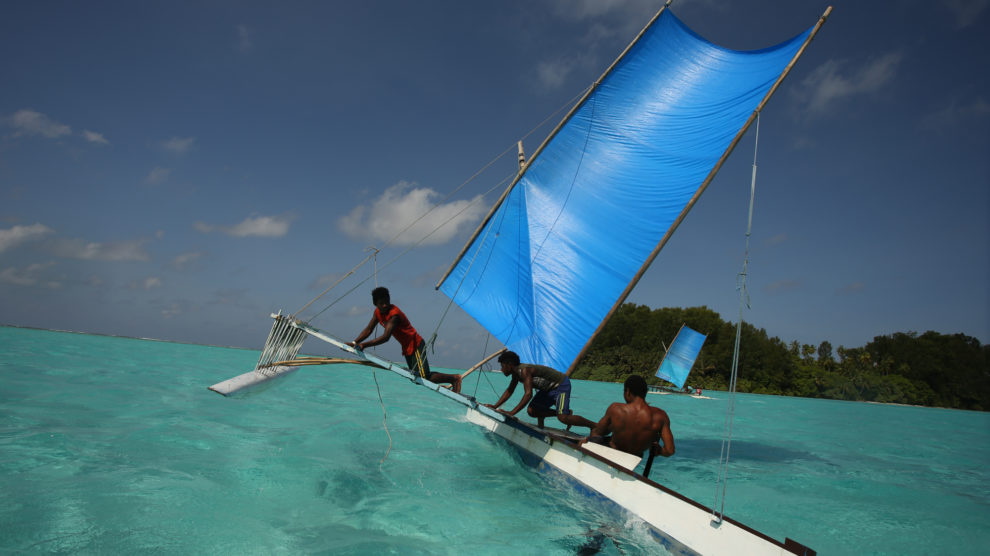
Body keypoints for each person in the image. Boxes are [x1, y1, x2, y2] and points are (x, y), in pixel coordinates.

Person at [348, 286, 461, 393]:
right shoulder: (377, 313)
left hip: (416, 344)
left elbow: (386, 337)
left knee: (422, 376)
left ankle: (454, 378)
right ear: (375, 304)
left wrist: (364, 345)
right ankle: (451, 379)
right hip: (407, 347)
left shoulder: (394, 315)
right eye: (381, 303)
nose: (385, 305)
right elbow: (368, 329)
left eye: (387, 301)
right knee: (416, 378)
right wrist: (355, 342)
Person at [484, 351, 597, 430]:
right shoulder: (515, 374)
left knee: (563, 418)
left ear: (509, 365)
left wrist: (512, 413)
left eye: (502, 366)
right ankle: (546, 424)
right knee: (532, 411)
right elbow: (509, 391)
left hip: (561, 385)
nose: (501, 369)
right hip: (547, 390)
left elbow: (528, 394)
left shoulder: (524, 371)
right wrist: (494, 406)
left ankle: (593, 426)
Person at [580, 375, 675, 458]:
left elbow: (599, 431)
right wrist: (659, 451)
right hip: (634, 457)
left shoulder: (616, 408)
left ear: (628, 392)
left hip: (613, 452)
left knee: (594, 435)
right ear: (645, 392)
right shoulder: (660, 416)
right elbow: (670, 450)